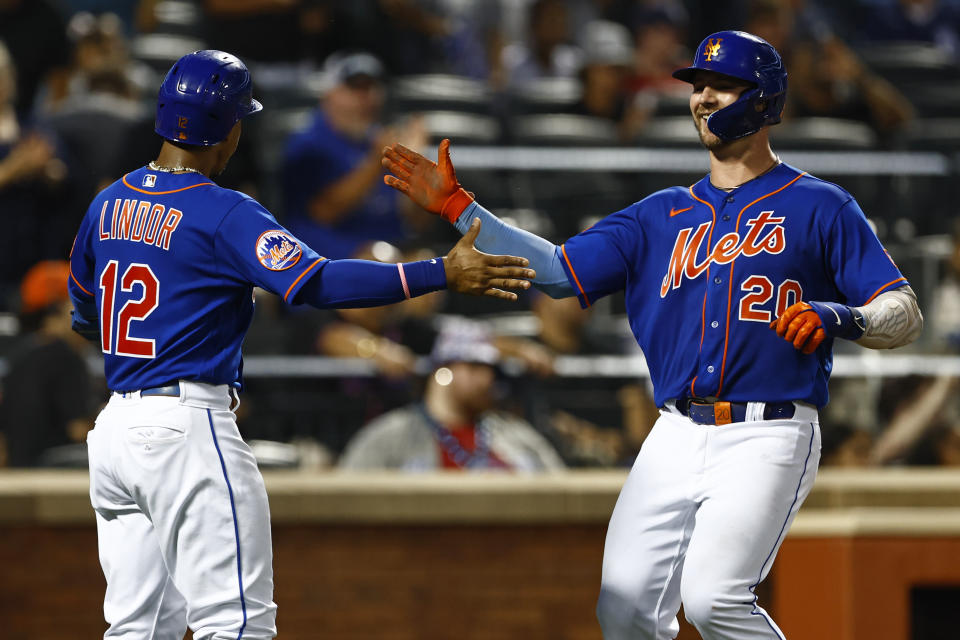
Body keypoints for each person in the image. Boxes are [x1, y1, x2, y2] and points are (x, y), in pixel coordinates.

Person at [382, 30, 924, 639]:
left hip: (767, 430)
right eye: (698, 86)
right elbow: (559, 271)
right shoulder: (655, 214)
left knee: (714, 597)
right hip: (674, 431)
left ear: (766, 100)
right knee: (624, 608)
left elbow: (902, 310)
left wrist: (843, 317)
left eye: (723, 86)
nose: (704, 98)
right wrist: (460, 208)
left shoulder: (821, 205)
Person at [67, 49, 535, 639]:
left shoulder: (106, 202)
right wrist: (439, 271)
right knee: (235, 624)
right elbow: (315, 282)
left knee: (137, 629)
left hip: (115, 432)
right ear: (230, 128)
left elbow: (85, 311)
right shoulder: (222, 212)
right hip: (185, 427)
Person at [338, 319, 566, 471]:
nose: (487, 379)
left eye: (490, 370)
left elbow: (560, 490)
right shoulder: (389, 437)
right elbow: (345, 498)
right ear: (442, 371)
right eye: (474, 367)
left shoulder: (516, 435)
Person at [281, 51, 429, 259]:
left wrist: (413, 171)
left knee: (427, 262)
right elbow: (323, 214)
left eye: (370, 87)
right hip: (323, 250)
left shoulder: (378, 137)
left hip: (384, 243)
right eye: (354, 88)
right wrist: (377, 161)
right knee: (383, 261)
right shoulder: (308, 143)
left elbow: (415, 223)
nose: (365, 97)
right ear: (329, 93)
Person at [0, 261, 98, 467]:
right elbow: (78, 430)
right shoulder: (64, 354)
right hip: (48, 465)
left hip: (17, 465)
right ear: (55, 315)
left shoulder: (18, 353)